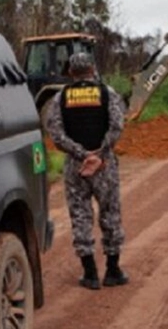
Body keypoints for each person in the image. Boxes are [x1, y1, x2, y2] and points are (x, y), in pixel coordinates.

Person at [44, 52, 129, 290]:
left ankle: (90, 273)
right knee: (110, 213)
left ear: (71, 71)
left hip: (75, 166)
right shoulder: (107, 93)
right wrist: (99, 154)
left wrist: (82, 154)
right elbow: (117, 125)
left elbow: (56, 134)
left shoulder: (60, 98)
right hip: (104, 165)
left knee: (80, 215)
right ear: (92, 68)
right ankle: (113, 271)